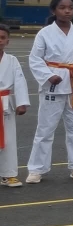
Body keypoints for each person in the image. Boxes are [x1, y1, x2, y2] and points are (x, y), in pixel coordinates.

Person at [26, 0, 73, 183]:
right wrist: (48, 75)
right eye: (62, 7)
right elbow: (35, 58)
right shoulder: (45, 33)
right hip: (53, 85)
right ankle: (36, 169)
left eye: (70, 7)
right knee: (45, 128)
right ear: (54, 10)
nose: (67, 11)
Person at [0, 23, 30, 188]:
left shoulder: (12, 61)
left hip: (5, 105)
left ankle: (8, 174)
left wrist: (21, 102)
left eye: (2, 37)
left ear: (7, 41)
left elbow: (19, 81)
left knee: (9, 141)